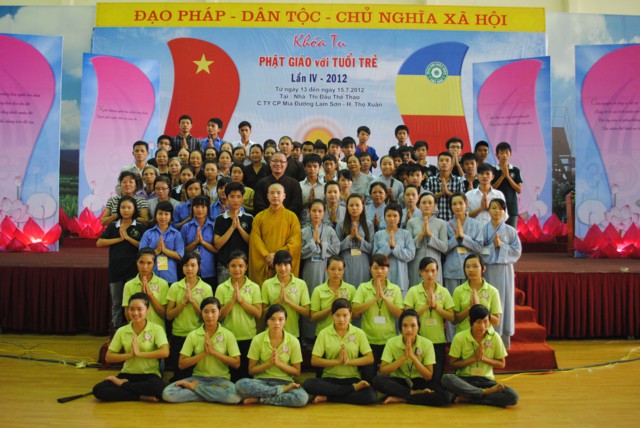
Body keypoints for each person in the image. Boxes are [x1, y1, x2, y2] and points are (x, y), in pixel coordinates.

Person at [162, 297, 242, 404]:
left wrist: (214, 352)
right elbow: (181, 364)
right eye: (206, 311)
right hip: (198, 378)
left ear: (219, 313)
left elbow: (236, 363)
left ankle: (196, 389)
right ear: (201, 313)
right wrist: (204, 354)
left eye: (213, 311)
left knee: (235, 397)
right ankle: (212, 394)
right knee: (168, 394)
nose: (209, 315)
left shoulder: (228, 335)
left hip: (221, 380)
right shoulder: (193, 335)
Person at [93, 293, 169, 402]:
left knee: (158, 388)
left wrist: (139, 354)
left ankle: (123, 385)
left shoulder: (157, 329)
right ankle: (140, 396)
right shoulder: (122, 331)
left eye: (139, 309)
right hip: (127, 374)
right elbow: (108, 357)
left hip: (149, 375)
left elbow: (165, 352)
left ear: (147, 310)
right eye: (131, 309)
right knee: (98, 390)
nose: (135, 313)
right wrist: (130, 355)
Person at [372, 309, 454, 406]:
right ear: (400, 327)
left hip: (419, 381)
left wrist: (413, 357)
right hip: (399, 381)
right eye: (405, 325)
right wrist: (403, 358)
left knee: (447, 396)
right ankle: (413, 394)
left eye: (413, 325)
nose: (409, 329)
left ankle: (402, 398)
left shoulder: (427, 344)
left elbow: (428, 376)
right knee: (377, 380)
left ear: (418, 327)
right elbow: (383, 370)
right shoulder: (391, 342)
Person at [441, 304, 519, 407]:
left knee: (513, 396)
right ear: (470, 321)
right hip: (465, 380)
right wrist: (473, 359)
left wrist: (483, 358)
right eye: (478, 322)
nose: (482, 326)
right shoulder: (460, 337)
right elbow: (452, 364)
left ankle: (469, 397)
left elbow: (501, 363)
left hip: (486, 381)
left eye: (485, 321)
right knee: (446, 378)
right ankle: (483, 393)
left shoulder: (495, 337)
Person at [303, 299, 377, 405]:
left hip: (351, 378)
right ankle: (352, 389)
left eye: (345, 315)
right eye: (337, 315)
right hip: (330, 379)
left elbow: (370, 358)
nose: (341, 319)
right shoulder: (324, 333)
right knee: (308, 384)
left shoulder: (359, 333)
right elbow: (314, 361)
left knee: (371, 396)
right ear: (332, 315)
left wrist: (348, 361)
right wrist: (337, 361)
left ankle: (329, 397)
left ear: (351, 315)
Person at [235, 304, 308, 407]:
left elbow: (296, 371)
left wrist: (278, 363)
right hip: (262, 382)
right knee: (240, 384)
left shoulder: (293, 341)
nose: (276, 323)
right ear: (267, 321)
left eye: (280, 319)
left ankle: (260, 399)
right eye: (272, 319)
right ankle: (280, 391)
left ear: (285, 321)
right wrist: (269, 363)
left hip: (285, 382)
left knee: (301, 398)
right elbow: (251, 370)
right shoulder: (257, 339)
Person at [97, 195, 146, 329]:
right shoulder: (113, 226)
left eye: (129, 207)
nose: (125, 210)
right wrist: (119, 239)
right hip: (116, 270)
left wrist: (128, 238)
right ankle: (116, 331)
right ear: (118, 209)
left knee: (134, 302)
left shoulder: (140, 226)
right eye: (123, 207)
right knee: (117, 303)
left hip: (133, 270)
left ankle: (135, 329)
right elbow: (99, 242)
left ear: (134, 209)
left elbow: (143, 246)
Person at [352, 254, 403, 381]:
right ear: (370, 269)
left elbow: (400, 314)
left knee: (389, 379)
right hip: (368, 340)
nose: (379, 271)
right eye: (376, 268)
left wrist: (384, 298)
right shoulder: (363, 287)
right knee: (368, 378)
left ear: (388, 269)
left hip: (389, 340)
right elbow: (355, 312)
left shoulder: (395, 289)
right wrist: (375, 298)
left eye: (383, 268)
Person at [404, 257, 454, 382]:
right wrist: (426, 306)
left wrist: (435, 307)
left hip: (438, 341)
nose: (430, 274)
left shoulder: (444, 291)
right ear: (420, 272)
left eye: (433, 271)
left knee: (436, 380)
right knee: (419, 378)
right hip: (418, 341)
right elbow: (406, 316)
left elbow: (452, 317)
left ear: (437, 271)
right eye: (426, 271)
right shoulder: (413, 291)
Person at [215, 250, 262, 381]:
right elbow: (218, 316)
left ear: (246, 267)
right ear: (228, 267)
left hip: (249, 336)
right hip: (228, 337)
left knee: (247, 377)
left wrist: (241, 301)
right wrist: (232, 301)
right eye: (233, 266)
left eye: (241, 266)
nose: (237, 269)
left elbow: (258, 313)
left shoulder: (254, 287)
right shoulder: (221, 288)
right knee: (231, 377)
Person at [166, 252, 214, 381]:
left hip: (198, 335)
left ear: (199, 266)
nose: (189, 269)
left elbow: (208, 317)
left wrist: (192, 302)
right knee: (179, 375)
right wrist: (183, 303)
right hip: (178, 335)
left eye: (193, 265)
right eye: (186, 265)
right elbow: (169, 315)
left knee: (196, 376)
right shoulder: (175, 287)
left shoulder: (206, 288)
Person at [482, 198, 522, 348]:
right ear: (488, 210)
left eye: (500, 208)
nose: (497, 211)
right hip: (488, 269)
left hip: (505, 270)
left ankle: (503, 339)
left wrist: (502, 246)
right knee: (488, 300)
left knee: (504, 301)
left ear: (504, 211)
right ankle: (486, 335)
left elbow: (517, 251)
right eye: (493, 208)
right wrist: (493, 248)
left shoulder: (510, 231)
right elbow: (479, 248)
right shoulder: (483, 229)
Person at [249, 183, 302, 286]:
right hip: (265, 262)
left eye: (278, 193)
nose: (275, 196)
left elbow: (295, 242)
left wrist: (277, 256)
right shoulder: (259, 217)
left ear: (284, 196)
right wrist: (267, 257)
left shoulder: (292, 217)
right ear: (267, 196)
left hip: (283, 263)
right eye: (272, 193)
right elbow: (255, 241)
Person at [300, 200, 341, 324]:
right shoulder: (303, 231)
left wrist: (321, 243)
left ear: (324, 213)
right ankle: (308, 331)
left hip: (326, 267)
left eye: (320, 211)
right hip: (310, 268)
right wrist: (313, 242)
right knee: (310, 296)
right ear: (309, 212)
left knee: (326, 297)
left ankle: (326, 327)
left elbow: (336, 249)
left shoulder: (330, 230)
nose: (317, 214)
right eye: (314, 211)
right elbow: (300, 253)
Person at [261, 250, 310, 339]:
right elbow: (263, 313)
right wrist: (278, 301)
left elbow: (307, 312)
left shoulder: (301, 284)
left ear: (291, 265)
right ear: (274, 266)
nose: (283, 268)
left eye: (286, 264)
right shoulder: (267, 284)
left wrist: (288, 301)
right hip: (271, 333)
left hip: (292, 334)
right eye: (279, 265)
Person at [213, 182, 253, 285]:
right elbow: (217, 244)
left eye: (238, 197)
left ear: (242, 198)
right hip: (225, 266)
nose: (235, 200)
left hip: (244, 266)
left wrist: (239, 228)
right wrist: (232, 228)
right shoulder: (220, 219)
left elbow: (252, 242)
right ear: (226, 198)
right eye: (232, 196)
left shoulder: (249, 218)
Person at [372, 203, 416, 295]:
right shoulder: (378, 234)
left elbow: (411, 254)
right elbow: (375, 256)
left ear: (400, 217)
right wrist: (388, 247)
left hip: (401, 277)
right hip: (382, 275)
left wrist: (395, 247)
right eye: (389, 216)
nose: (392, 218)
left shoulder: (406, 234)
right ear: (384, 217)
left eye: (395, 216)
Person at [452, 254, 502, 334]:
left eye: (475, 266)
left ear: (483, 268)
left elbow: (496, 322)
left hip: (486, 335)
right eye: (467, 267)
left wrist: (479, 307)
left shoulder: (493, 291)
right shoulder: (458, 291)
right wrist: (470, 308)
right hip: (464, 335)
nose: (471, 270)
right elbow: (454, 320)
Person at [406, 192, 448, 286]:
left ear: (434, 206)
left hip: (434, 263)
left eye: (430, 203)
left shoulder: (441, 223)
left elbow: (444, 248)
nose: (427, 205)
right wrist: (421, 234)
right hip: (416, 263)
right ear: (419, 205)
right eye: (424, 202)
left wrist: (429, 234)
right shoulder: (411, 222)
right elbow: (408, 247)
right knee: (416, 290)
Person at [122, 248, 169, 330]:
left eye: (149, 263)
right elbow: (128, 316)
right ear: (136, 262)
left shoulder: (163, 284)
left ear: (154, 264)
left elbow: (164, 315)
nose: (144, 267)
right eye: (141, 262)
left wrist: (150, 295)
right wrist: (140, 298)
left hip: (157, 331)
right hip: (136, 331)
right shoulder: (128, 285)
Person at [310, 256, 357, 337]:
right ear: (326, 269)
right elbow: (313, 317)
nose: (336, 273)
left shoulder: (351, 289)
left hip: (346, 335)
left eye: (340, 269)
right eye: (332, 269)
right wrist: (332, 307)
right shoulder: (318, 290)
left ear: (343, 271)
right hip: (324, 335)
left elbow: (356, 315)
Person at [139, 201, 184, 285]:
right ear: (155, 215)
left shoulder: (176, 234)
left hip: (170, 276)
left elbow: (180, 255)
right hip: (151, 276)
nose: (163, 217)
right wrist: (157, 251)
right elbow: (142, 255)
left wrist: (165, 250)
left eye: (166, 214)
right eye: (160, 214)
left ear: (171, 216)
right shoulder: (148, 233)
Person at [335, 194, 374, 287]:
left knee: (362, 287)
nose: (354, 208)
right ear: (347, 207)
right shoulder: (340, 225)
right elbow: (336, 248)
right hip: (346, 260)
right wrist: (350, 237)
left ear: (363, 206)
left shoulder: (368, 225)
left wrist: (359, 237)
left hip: (362, 261)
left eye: (357, 205)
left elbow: (371, 248)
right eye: (351, 205)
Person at [181, 195, 217, 287]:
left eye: (203, 207)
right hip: (190, 271)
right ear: (192, 208)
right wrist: (194, 243)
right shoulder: (186, 227)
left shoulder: (214, 226)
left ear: (208, 208)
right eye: (196, 206)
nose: (199, 210)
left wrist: (203, 242)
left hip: (209, 270)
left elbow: (217, 250)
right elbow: (181, 251)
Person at [254, 151, 304, 217]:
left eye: (281, 161)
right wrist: (271, 216)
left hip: (287, 219)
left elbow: (296, 205)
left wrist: (282, 216)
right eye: (275, 161)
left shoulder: (294, 183)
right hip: (266, 219)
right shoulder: (261, 183)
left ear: (286, 164)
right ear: (270, 163)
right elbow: (258, 204)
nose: (278, 164)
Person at [425, 152, 465, 221]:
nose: (444, 163)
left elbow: (462, 200)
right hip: (434, 219)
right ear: (437, 163)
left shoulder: (458, 180)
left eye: (447, 160)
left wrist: (448, 192)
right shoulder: (430, 180)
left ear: (451, 164)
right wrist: (440, 194)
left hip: (453, 220)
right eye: (441, 160)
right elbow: (425, 200)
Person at [492, 142, 522, 229]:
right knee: (497, 233)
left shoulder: (515, 170)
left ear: (510, 154)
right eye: (501, 153)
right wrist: (502, 176)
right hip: (497, 207)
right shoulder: (493, 170)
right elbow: (491, 188)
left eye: (507, 153)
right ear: (496, 155)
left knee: (511, 233)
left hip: (512, 208)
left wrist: (508, 177)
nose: (504, 155)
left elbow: (519, 190)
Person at [299, 153, 324, 228]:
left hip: (322, 222)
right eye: (309, 166)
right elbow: (296, 205)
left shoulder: (325, 186)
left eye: (315, 166)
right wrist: (307, 202)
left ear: (319, 167)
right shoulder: (299, 185)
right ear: (304, 167)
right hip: (303, 222)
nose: (312, 169)